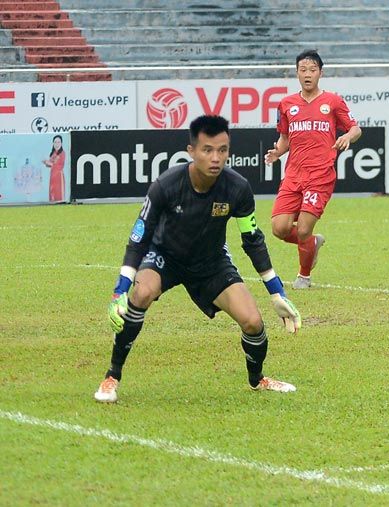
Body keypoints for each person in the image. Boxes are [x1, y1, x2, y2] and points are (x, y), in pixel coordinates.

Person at [95, 115, 302, 403]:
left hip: (211, 262)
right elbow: (139, 237)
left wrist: (276, 291)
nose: (216, 158)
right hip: (165, 256)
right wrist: (120, 289)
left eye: (223, 150)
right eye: (207, 150)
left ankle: (258, 380)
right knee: (141, 292)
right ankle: (112, 376)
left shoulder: (238, 188)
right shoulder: (166, 185)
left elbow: (252, 239)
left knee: (253, 322)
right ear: (191, 151)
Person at [265, 49, 362, 289]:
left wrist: (348, 136)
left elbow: (356, 128)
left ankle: (304, 277)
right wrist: (277, 152)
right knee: (279, 228)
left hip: (320, 174)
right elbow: (285, 139)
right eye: (303, 70)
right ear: (297, 73)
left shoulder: (333, 101)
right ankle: (313, 243)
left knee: (304, 229)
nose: (307, 74)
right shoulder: (286, 104)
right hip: (293, 175)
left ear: (320, 72)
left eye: (312, 70)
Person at [43, 134, 65, 202]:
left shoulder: (62, 153)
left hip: (58, 176)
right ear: (53, 143)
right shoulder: (54, 153)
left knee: (58, 193)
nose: (57, 144)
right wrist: (46, 162)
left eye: (58, 142)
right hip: (53, 175)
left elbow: (57, 165)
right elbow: (50, 164)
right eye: (55, 142)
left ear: (61, 143)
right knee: (52, 191)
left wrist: (49, 163)